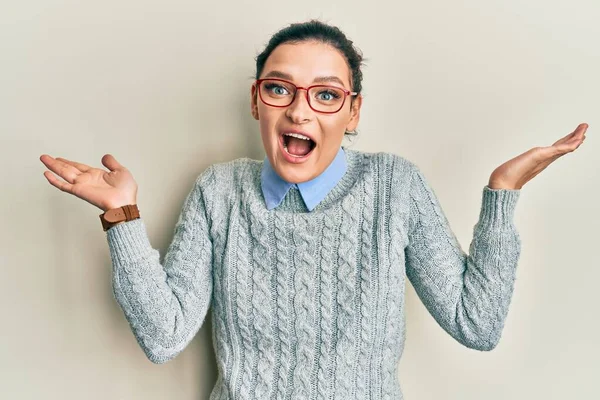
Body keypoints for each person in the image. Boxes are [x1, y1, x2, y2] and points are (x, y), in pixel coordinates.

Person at [40, 19, 588, 400]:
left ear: (353, 113)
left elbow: (478, 324)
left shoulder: (393, 186)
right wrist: (122, 215)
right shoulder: (218, 193)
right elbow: (164, 338)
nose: (300, 110)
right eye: (281, 89)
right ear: (257, 99)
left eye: (326, 95)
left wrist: (502, 192)